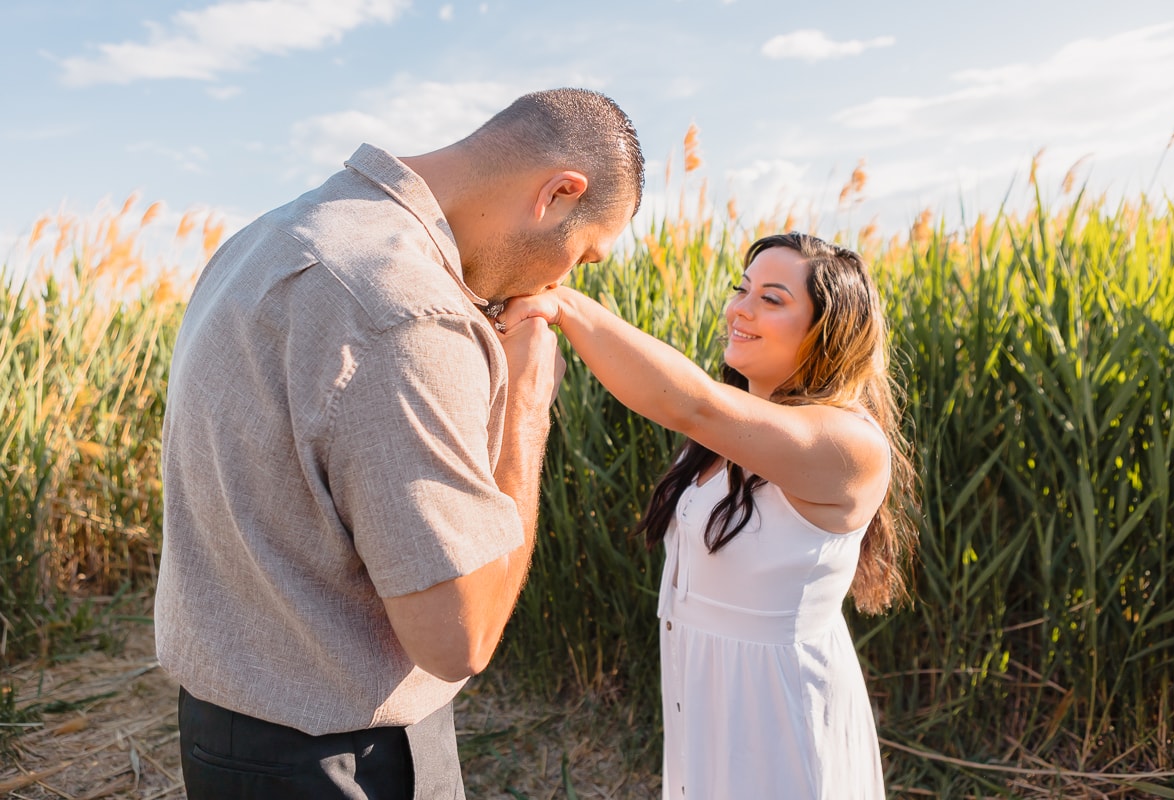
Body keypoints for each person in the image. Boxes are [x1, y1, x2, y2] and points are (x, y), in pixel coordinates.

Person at [154, 88, 644, 799]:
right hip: (342, 763)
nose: (563, 281)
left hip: (226, 736)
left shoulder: (267, 236)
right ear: (560, 194)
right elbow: (458, 638)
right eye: (585, 256)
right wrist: (528, 411)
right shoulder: (404, 312)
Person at [501, 232, 918, 799]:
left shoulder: (849, 444)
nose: (739, 309)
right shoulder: (720, 439)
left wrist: (566, 305)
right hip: (702, 694)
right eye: (741, 290)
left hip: (776, 715)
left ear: (830, 330)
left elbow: (689, 402)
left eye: (771, 299)